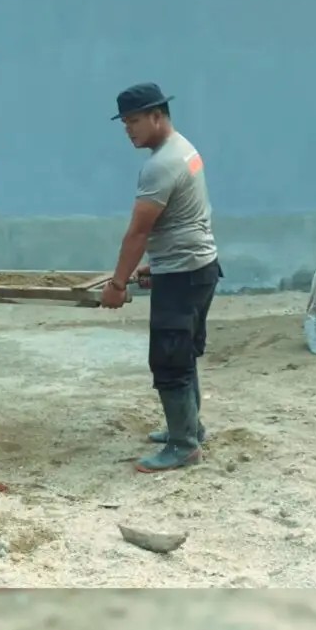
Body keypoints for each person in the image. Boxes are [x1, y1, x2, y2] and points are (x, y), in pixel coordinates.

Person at [100, 83, 222, 473]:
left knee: (169, 359)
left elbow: (138, 231)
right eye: (124, 123)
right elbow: (188, 216)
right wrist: (161, 265)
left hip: (185, 274)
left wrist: (117, 284)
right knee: (182, 353)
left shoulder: (161, 164)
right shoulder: (185, 149)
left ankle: (183, 445)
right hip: (197, 267)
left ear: (157, 115)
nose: (128, 130)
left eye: (133, 121)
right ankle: (189, 427)